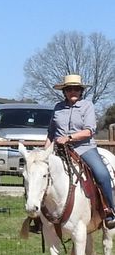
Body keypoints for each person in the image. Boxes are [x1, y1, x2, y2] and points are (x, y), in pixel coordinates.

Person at [46, 74, 115, 229]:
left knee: (102, 174)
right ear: (64, 91)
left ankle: (110, 211)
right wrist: (45, 152)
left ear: (81, 91)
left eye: (76, 89)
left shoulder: (87, 106)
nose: (73, 92)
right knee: (39, 175)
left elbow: (89, 131)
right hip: (59, 150)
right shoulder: (58, 108)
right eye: (69, 89)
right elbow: (51, 133)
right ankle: (39, 218)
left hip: (84, 148)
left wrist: (69, 137)